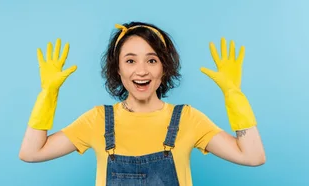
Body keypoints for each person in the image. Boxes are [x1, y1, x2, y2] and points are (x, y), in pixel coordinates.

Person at [18, 21, 266, 186]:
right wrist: (47, 96)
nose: (141, 71)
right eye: (130, 61)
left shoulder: (189, 119)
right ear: (117, 69)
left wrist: (235, 96)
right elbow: (31, 152)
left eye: (152, 60)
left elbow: (253, 157)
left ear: (164, 68)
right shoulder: (98, 120)